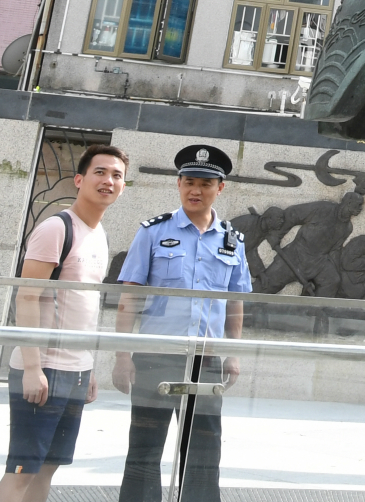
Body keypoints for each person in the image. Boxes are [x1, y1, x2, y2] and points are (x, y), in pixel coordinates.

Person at [113, 144, 252, 502]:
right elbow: (130, 298)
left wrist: (232, 354)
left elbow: (236, 302)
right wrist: (122, 355)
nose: (196, 190)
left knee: (205, 453)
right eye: (189, 182)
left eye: (206, 184)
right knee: (144, 448)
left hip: (205, 360)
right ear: (178, 184)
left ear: (220, 188)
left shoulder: (232, 241)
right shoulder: (153, 232)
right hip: (156, 357)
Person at [0, 144, 128, 502]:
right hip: (44, 368)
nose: (108, 181)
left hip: (75, 370)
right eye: (100, 172)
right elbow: (26, 296)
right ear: (79, 179)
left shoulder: (98, 233)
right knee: (22, 470)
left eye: (117, 175)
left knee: (47, 467)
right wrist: (32, 367)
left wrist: (88, 368)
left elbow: (83, 307)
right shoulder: (57, 227)